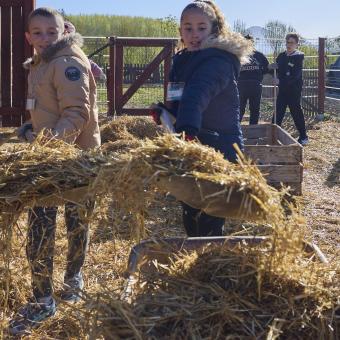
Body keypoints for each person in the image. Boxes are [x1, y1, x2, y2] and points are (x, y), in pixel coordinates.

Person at [9, 7, 101, 336]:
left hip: (74, 160)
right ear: (28, 37)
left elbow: (77, 115)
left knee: (76, 221)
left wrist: (47, 148)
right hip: (50, 157)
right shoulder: (41, 65)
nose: (44, 38)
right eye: (37, 33)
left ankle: (73, 279)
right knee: (40, 228)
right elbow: (50, 110)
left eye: (51, 32)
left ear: (62, 33)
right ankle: (43, 297)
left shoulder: (67, 64)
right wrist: (30, 129)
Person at [152, 0, 252, 237]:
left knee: (211, 211)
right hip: (194, 142)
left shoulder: (217, 61)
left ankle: (209, 261)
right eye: (188, 28)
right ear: (180, 32)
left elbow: (197, 94)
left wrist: (185, 128)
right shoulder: (183, 59)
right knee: (190, 206)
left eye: (201, 27)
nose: (194, 34)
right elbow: (179, 96)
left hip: (219, 146)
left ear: (214, 30)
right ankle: (198, 255)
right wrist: (165, 113)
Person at [270, 33, 309, 145]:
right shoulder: (281, 56)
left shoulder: (298, 57)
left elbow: (295, 76)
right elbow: (276, 70)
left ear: (297, 44)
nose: (289, 44)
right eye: (287, 42)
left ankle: (303, 137)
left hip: (294, 90)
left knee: (296, 112)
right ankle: (272, 136)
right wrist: (272, 69)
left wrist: (280, 81)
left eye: (292, 42)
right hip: (282, 90)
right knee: (278, 112)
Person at [238, 34, 269, 124]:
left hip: (255, 85)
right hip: (241, 85)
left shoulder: (259, 55)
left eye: (249, 42)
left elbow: (266, 68)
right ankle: (235, 131)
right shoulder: (239, 55)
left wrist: (259, 75)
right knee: (240, 109)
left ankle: (253, 132)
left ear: (252, 43)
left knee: (255, 109)